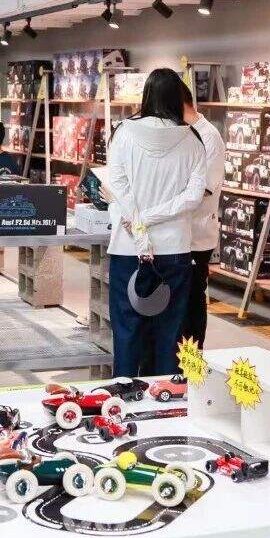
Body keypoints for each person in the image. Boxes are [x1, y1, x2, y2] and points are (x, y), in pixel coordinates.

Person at [105, 69, 207, 377]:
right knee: (170, 332)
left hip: (128, 248)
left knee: (126, 331)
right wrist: (150, 218)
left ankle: (123, 392)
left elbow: (118, 185)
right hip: (174, 248)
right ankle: (166, 395)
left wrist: (139, 221)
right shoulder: (193, 140)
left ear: (146, 95)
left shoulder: (122, 133)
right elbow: (193, 197)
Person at [179, 80, 225, 345]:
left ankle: (191, 362)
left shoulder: (209, 137)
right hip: (181, 233)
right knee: (182, 304)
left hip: (197, 236)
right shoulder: (185, 132)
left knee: (192, 303)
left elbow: (203, 189)